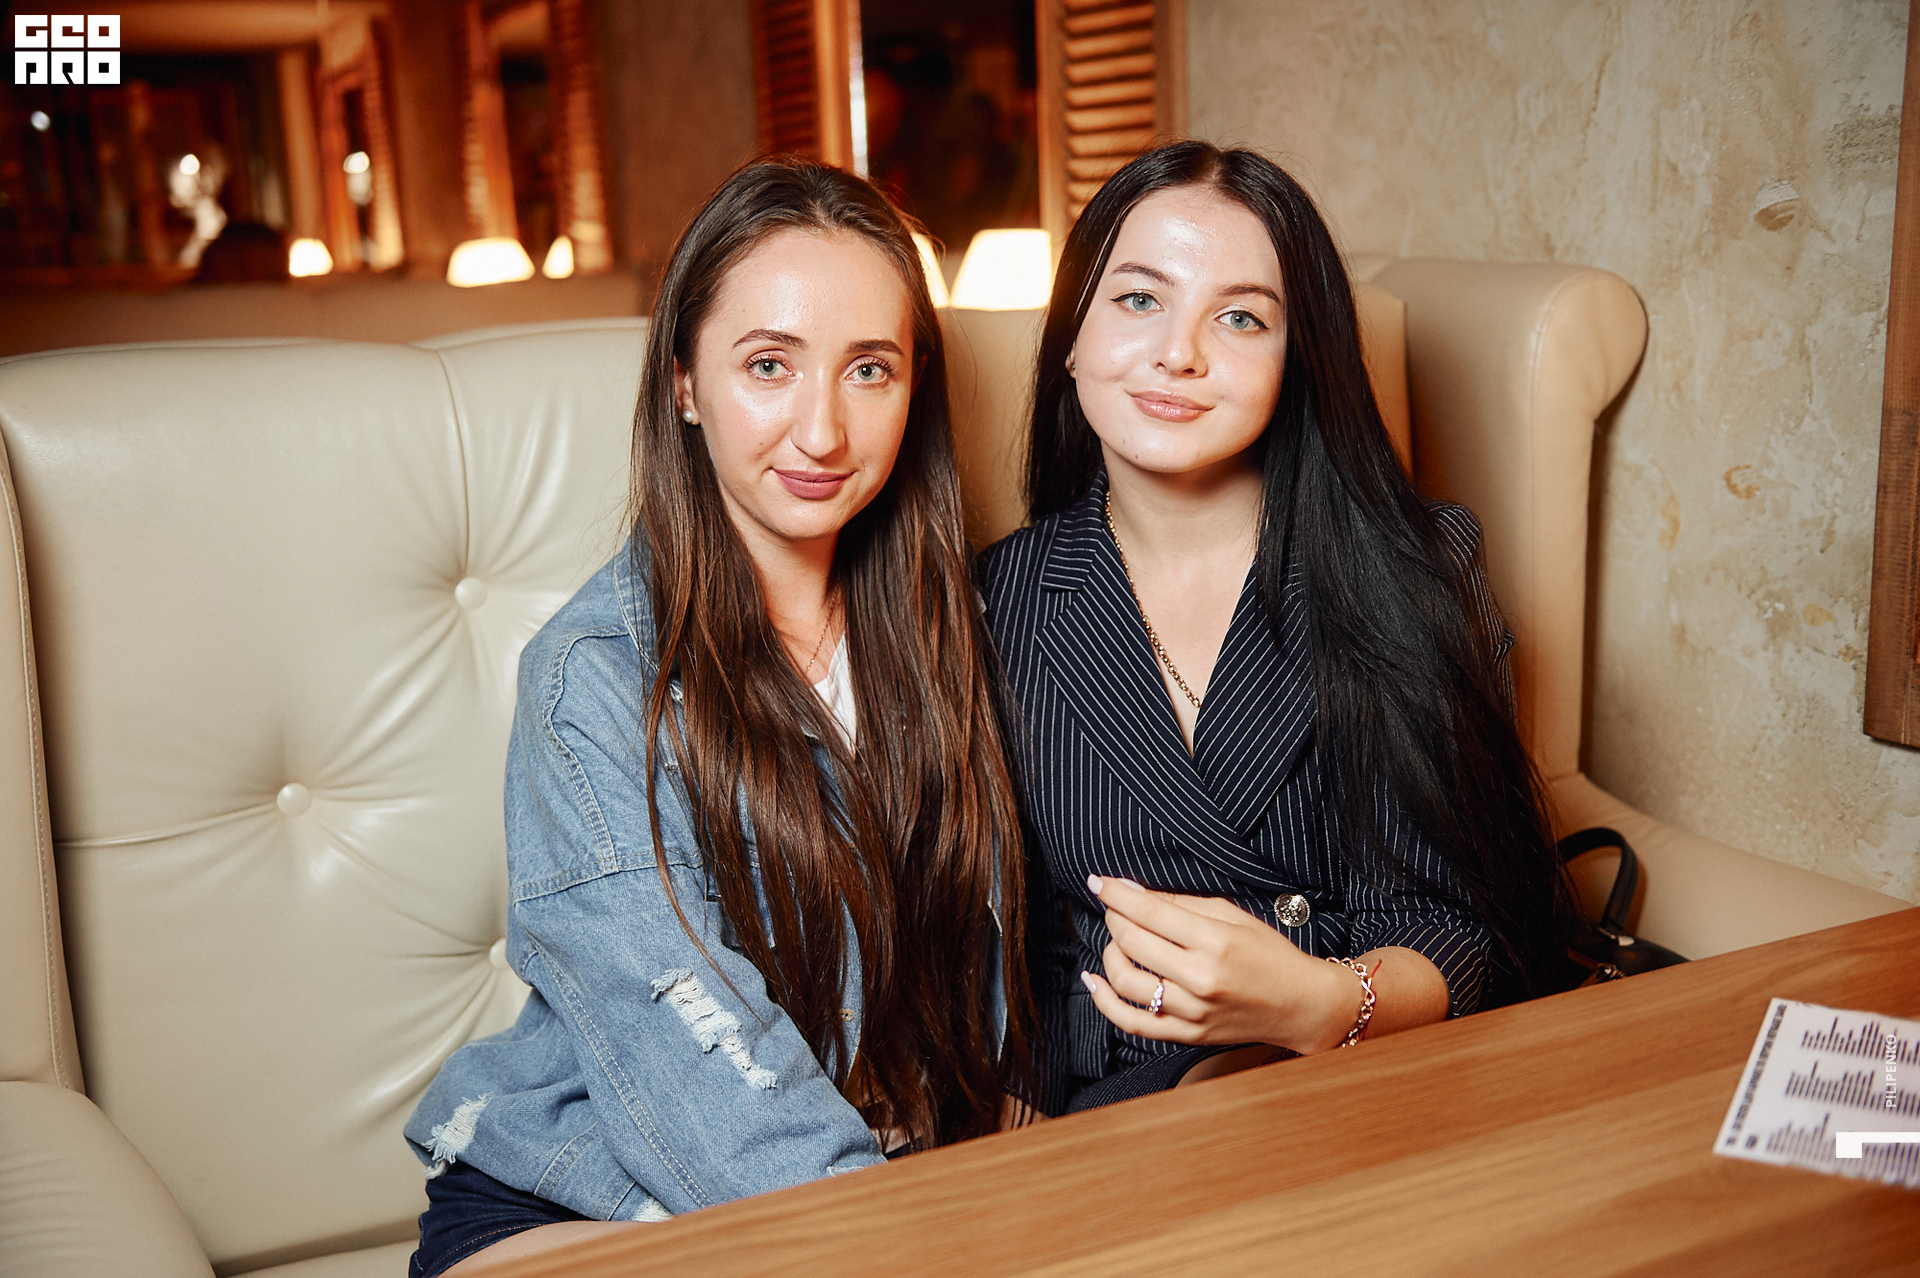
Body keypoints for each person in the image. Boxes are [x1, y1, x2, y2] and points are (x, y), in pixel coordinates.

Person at [403, 158, 1034, 1276]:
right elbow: (689, 1056)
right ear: (686, 385)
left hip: (867, 1195)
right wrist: (915, 1242)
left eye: (869, 369)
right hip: (584, 1198)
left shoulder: (959, 627)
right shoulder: (596, 680)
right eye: (768, 365)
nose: (822, 430)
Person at [977, 141, 1572, 1114]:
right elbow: (1000, 959)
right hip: (1110, 1115)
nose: (1179, 353)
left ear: (1296, 362)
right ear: (1073, 335)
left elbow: (1465, 923)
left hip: (1375, 1082)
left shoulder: (1415, 569)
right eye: (1139, 299)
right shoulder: (995, 598)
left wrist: (1315, 1002)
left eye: (1241, 317)